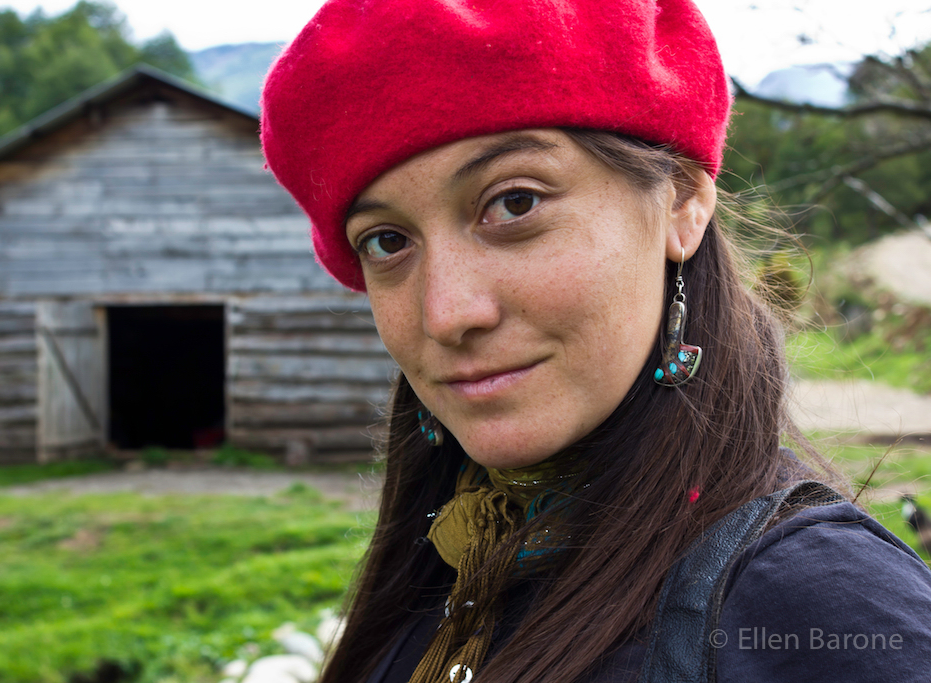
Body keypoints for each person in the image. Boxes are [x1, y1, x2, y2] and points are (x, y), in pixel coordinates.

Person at [260, 1, 931, 681]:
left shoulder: (819, 610)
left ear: (681, 201)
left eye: (514, 202)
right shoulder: (452, 562)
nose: (446, 313)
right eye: (388, 240)